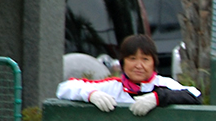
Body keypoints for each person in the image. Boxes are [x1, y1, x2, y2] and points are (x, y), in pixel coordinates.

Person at [56, 34, 201, 115]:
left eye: (145, 59)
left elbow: (195, 96)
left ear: (153, 63)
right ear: (123, 63)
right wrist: (91, 95)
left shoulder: (164, 84)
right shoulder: (113, 86)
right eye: (132, 59)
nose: (139, 65)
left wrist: (158, 98)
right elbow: (64, 88)